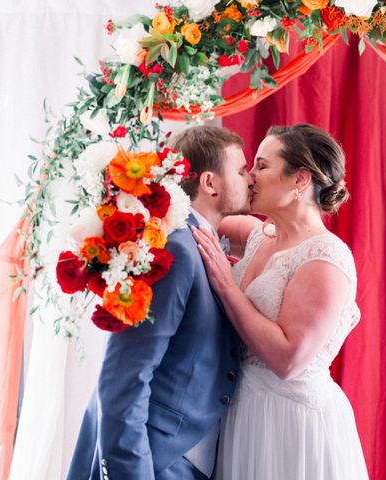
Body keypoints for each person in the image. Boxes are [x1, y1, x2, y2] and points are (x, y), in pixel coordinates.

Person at [67, 125, 254, 480]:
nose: (250, 180)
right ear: (210, 184)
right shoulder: (175, 251)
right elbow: (124, 378)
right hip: (155, 459)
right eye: (242, 170)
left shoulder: (205, 246)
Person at [192, 123, 369, 479]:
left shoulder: (325, 258)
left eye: (261, 166)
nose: (250, 177)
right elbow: (200, 217)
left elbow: (288, 360)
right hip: (243, 413)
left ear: (299, 180)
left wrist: (227, 287)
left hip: (290, 423)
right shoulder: (261, 235)